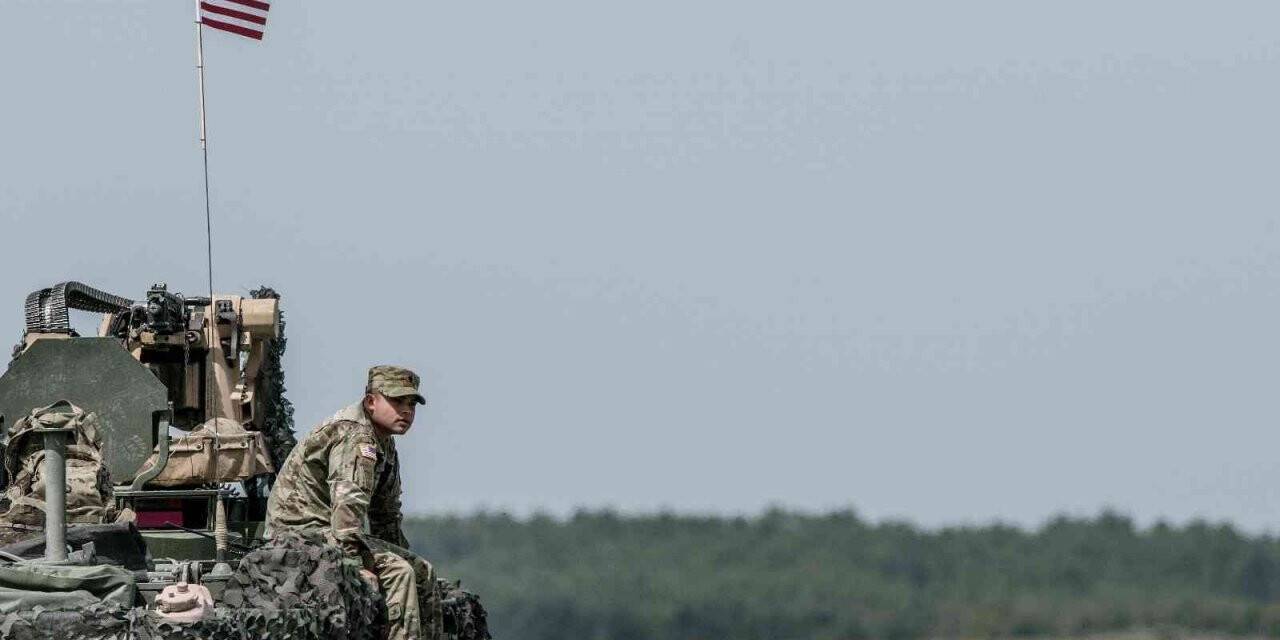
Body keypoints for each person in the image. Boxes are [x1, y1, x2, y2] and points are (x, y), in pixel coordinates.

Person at [266, 365, 441, 640]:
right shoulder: (355, 435)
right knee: (399, 573)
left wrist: (394, 550)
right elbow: (348, 507)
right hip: (300, 532)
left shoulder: (383, 442)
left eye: (411, 404)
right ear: (371, 402)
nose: (407, 411)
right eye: (397, 401)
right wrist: (356, 564)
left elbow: (386, 515)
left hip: (330, 530)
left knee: (421, 571)